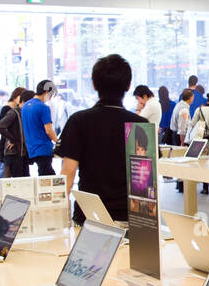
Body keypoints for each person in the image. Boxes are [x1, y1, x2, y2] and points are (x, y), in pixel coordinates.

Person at [58, 55, 147, 227]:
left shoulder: (79, 121)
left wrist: (59, 220)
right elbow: (143, 183)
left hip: (89, 216)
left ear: (94, 84)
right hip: (129, 218)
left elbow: (68, 172)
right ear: (128, 86)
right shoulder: (139, 125)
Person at [20, 79, 58, 176]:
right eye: (51, 95)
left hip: (31, 147)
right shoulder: (43, 107)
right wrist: (58, 142)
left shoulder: (25, 106)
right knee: (48, 177)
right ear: (46, 92)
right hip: (43, 147)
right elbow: (48, 130)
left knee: (43, 173)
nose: (50, 98)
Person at [0, 87, 32, 178]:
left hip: (18, 150)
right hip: (11, 148)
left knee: (15, 176)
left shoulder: (21, 112)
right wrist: (12, 139)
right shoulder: (11, 111)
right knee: (11, 175)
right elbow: (0, 127)